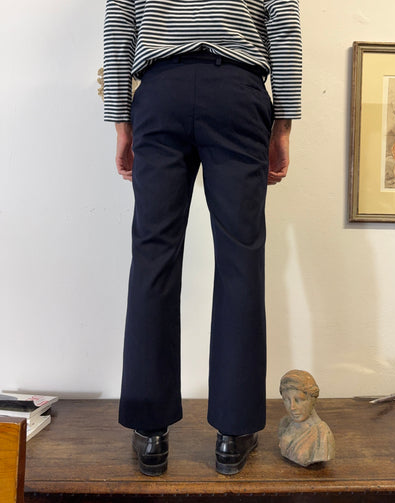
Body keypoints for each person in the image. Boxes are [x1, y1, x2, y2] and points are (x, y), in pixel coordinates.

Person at [103, 0, 302, 476]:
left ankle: (150, 431)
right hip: (237, 93)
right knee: (241, 260)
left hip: (160, 91)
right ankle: (234, 433)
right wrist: (283, 124)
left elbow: (120, 21)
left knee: (153, 256)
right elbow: (283, 22)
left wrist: (121, 120)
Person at [278, 370, 335, 467]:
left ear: (313, 399)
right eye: (287, 400)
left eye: (299, 400)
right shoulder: (285, 423)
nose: (292, 407)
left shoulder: (322, 435)